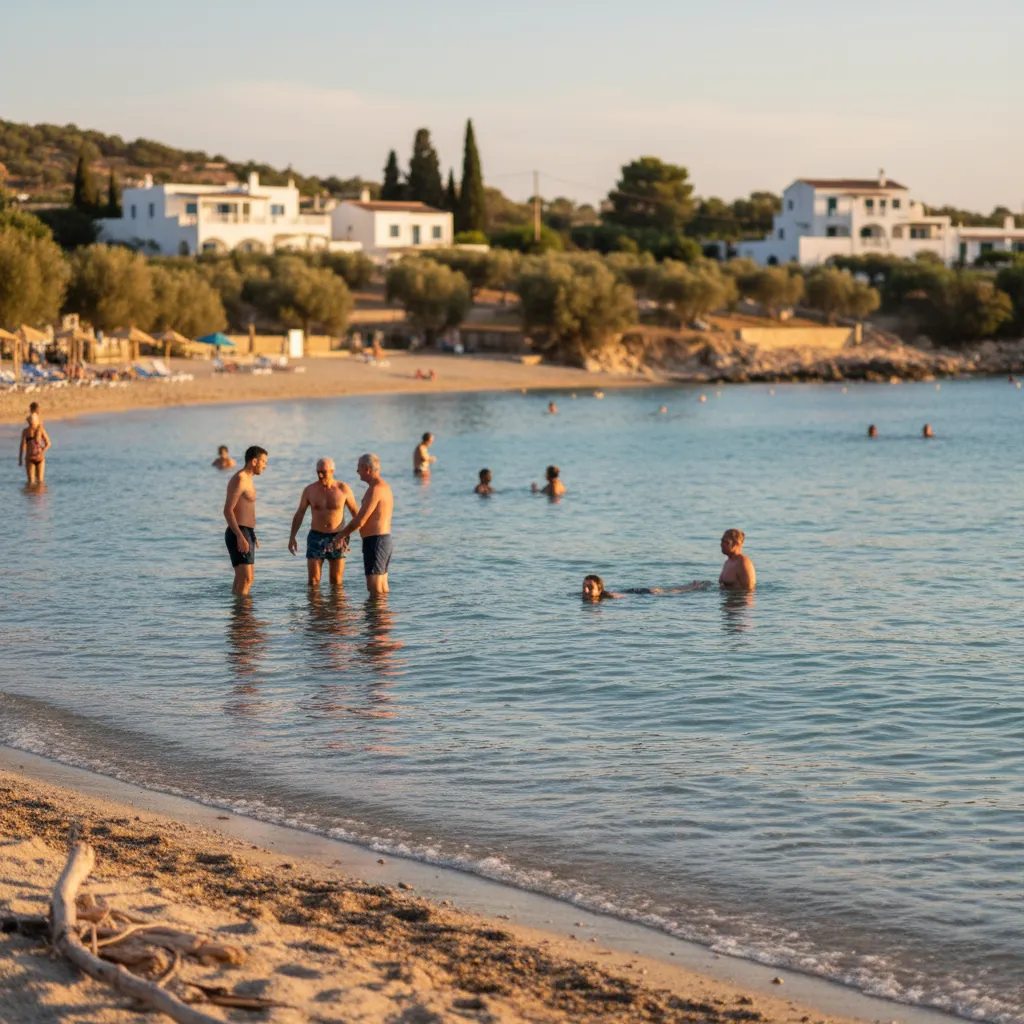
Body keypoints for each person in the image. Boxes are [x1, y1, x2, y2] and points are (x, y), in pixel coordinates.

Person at [288, 457, 360, 587]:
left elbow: (357, 514)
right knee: (313, 581)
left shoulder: (343, 489)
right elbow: (300, 514)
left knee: (336, 581)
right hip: (316, 536)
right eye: (318, 472)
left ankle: (336, 607)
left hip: (338, 537)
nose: (320, 475)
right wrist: (292, 537)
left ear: (332, 471)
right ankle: (315, 608)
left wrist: (362, 536)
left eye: (324, 472)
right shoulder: (309, 490)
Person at [336, 454, 394, 596]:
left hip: (376, 542)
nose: (357, 472)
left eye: (358, 469)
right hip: (382, 540)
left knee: (376, 590)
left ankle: (376, 618)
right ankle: (377, 617)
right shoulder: (384, 487)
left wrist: (341, 535)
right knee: (381, 588)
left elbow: (361, 520)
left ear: (367, 469)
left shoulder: (375, 490)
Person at [223, 445, 268, 596]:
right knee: (246, 578)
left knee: (246, 578)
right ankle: (243, 617)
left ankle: (239, 616)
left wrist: (251, 534)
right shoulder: (241, 479)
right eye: (263, 462)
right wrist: (240, 536)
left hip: (246, 531)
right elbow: (228, 510)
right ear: (254, 461)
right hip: (239, 532)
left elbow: (245, 508)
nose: (265, 466)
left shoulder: (248, 479)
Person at [18, 412, 50, 486]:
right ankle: (36, 496)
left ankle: (32, 497)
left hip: (31, 458)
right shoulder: (39, 430)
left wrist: (20, 459)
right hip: (37, 457)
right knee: (39, 482)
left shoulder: (26, 431)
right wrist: (42, 451)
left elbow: (21, 446)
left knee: (32, 482)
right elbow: (48, 444)